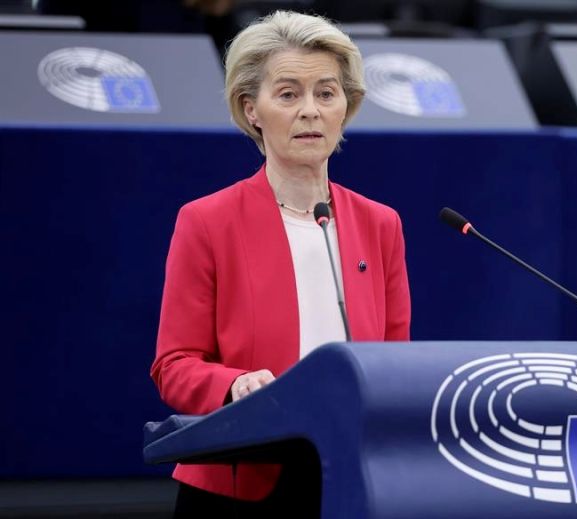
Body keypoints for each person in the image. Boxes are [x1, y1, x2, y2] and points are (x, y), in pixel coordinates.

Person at [150, 10, 411, 517]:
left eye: (326, 93)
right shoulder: (207, 221)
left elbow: (396, 365)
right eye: (288, 94)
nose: (310, 111)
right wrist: (232, 384)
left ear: (346, 107)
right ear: (252, 110)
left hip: (350, 475)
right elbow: (173, 365)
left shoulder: (381, 225)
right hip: (239, 481)